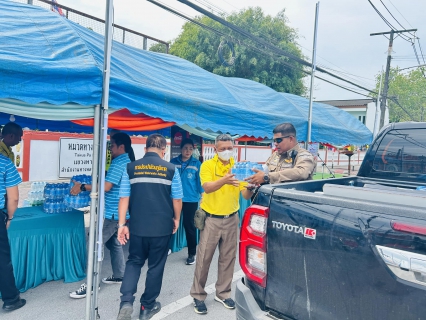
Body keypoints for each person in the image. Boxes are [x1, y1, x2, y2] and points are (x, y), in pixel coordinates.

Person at [116, 134, 183, 320]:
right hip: (162, 228)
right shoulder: (171, 169)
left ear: (145, 150)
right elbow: (177, 199)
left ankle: (126, 301)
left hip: (137, 227)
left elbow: (123, 198)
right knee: (156, 266)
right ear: (164, 151)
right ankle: (147, 307)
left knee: (134, 261)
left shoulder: (130, 167)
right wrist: (176, 219)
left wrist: (122, 224)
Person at [190, 134, 252, 315]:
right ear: (215, 149)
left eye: (230, 148)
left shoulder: (238, 166)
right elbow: (207, 187)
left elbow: (245, 195)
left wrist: (250, 185)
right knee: (204, 259)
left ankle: (223, 293)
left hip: (232, 218)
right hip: (211, 219)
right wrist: (224, 180)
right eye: (223, 148)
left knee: (228, 258)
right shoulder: (207, 165)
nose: (227, 151)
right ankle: (198, 295)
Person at [69, 132, 135, 299]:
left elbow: (106, 187)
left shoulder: (119, 163)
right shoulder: (125, 161)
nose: (110, 149)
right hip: (116, 212)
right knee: (114, 243)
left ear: (121, 147)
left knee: (94, 244)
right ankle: (120, 274)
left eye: (112, 145)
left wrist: (83, 187)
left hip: (112, 212)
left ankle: (91, 284)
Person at [246, 123, 316, 186]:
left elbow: (301, 173)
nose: (275, 144)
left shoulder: (304, 155)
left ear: (291, 139)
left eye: (278, 140)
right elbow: (264, 170)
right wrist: (249, 168)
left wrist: (267, 177)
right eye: (274, 141)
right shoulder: (275, 155)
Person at [170, 138, 204, 265]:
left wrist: (202, 196)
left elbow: (200, 182)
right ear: (181, 148)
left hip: (191, 199)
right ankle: (168, 247)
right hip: (175, 198)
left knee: (189, 226)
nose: (188, 151)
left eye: (190, 149)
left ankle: (192, 253)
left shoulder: (196, 164)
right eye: (185, 148)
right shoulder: (173, 162)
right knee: (170, 223)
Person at [0, 154, 26, 312]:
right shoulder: (4, 162)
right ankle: (11, 300)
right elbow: (14, 198)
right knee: (2, 259)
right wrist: (9, 217)